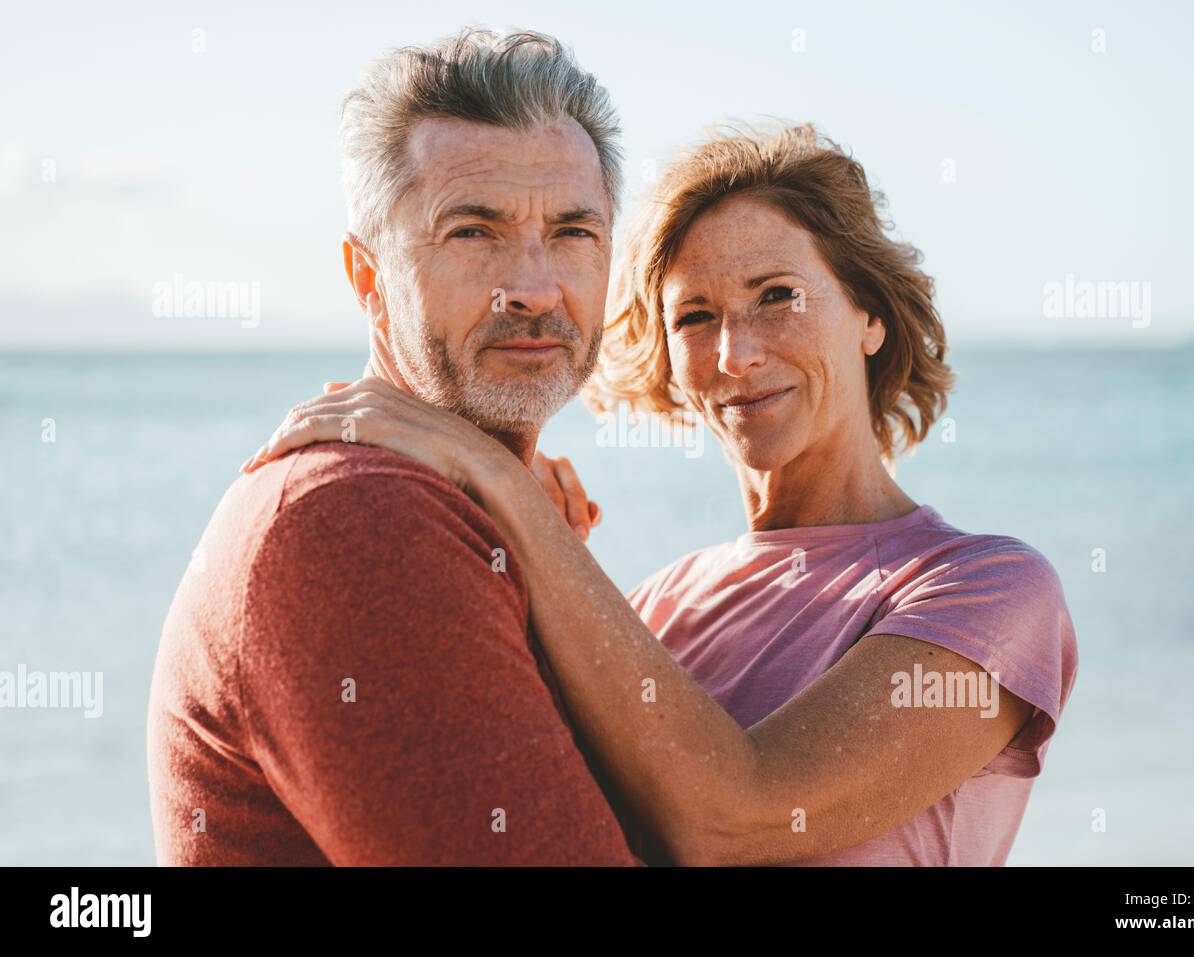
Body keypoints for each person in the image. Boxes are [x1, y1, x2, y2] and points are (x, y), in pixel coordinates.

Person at [248, 123, 1080, 866]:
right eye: (694, 317)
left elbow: (739, 816)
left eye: (777, 296)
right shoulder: (654, 605)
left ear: (868, 315)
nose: (736, 353)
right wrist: (530, 574)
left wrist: (494, 477)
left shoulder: (989, 592)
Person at [146, 29, 640, 865]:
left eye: (572, 232)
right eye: (474, 231)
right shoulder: (356, 520)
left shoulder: (494, 511)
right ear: (368, 279)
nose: (534, 286)